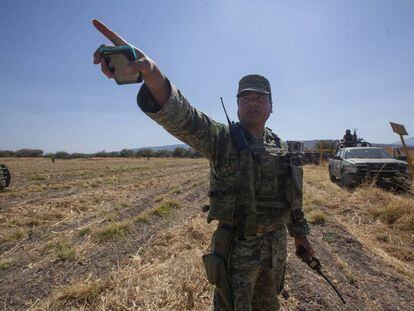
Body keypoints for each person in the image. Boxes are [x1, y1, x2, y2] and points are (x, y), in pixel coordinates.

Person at [92, 19, 314, 311]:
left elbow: (293, 200)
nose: (253, 102)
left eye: (260, 98)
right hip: (237, 250)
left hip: (275, 249)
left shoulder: (282, 148)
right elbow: (184, 116)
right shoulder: (222, 139)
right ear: (237, 106)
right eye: (245, 97)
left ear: (272, 106)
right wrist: (153, 74)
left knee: (270, 305)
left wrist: (301, 236)